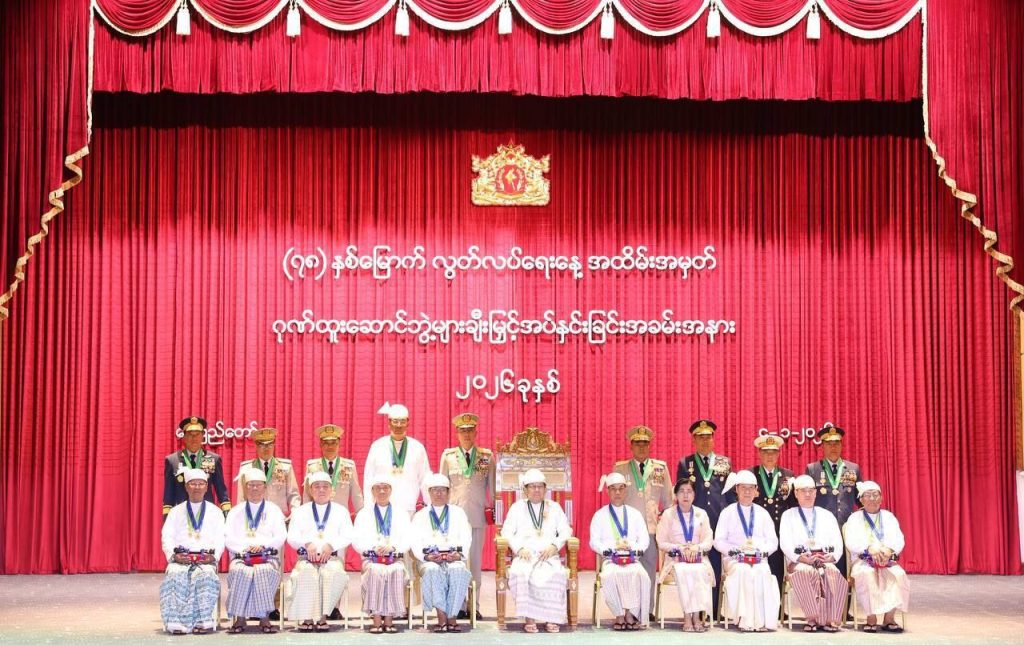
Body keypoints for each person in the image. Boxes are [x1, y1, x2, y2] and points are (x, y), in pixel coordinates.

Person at [499, 468, 573, 633]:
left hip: (548, 556)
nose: (537, 490)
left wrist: (555, 546)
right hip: (525, 555)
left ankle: (552, 618)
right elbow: (506, 532)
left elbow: (566, 530)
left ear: (545, 489)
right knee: (521, 573)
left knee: (556, 574)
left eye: (540, 486)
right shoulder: (517, 508)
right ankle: (530, 618)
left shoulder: (554, 507)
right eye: (532, 486)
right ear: (525, 490)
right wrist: (519, 549)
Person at [437, 412, 494, 620]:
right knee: (456, 562)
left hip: (477, 517)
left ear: (476, 432)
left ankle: (473, 605)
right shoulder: (448, 457)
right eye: (463, 431)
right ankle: (458, 604)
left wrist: (493, 511)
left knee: (475, 563)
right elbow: (441, 486)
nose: (467, 434)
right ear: (457, 433)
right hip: (454, 520)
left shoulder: (486, 457)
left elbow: (492, 489)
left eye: (470, 430)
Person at [675, 419, 733, 616]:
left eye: (708, 437)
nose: (705, 441)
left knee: (715, 565)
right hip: (695, 523)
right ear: (694, 440)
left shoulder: (724, 462)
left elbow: (730, 494)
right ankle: (697, 609)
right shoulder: (686, 463)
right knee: (696, 565)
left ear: (713, 439)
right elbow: (682, 494)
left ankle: (714, 610)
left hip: (718, 520)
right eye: (700, 437)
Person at [159, 468, 226, 635]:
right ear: (186, 487)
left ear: (206, 487)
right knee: (174, 574)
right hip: (181, 558)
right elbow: (167, 536)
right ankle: (175, 622)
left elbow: (221, 538)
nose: (197, 487)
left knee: (206, 575)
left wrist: (213, 557)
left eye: (200, 484)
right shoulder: (175, 511)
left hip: (205, 559)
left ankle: (203, 621)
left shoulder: (216, 512)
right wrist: (174, 556)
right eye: (193, 484)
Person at [612, 425, 672, 610]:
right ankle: (628, 609)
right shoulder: (620, 468)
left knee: (648, 570)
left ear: (650, 445)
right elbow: (615, 499)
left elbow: (668, 501)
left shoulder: (660, 468)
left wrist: (665, 527)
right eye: (637, 443)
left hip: (651, 529)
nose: (641, 447)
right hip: (627, 531)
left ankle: (647, 609)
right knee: (626, 570)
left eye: (645, 443)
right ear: (631, 446)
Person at [286, 471, 354, 632]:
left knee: (331, 574)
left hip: (332, 559)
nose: (321, 490)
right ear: (310, 490)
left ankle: (322, 617)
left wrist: (331, 546)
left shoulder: (341, 511)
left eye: (325, 486)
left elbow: (348, 535)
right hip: (306, 558)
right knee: (306, 574)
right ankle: (308, 617)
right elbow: (291, 536)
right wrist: (306, 543)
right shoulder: (300, 511)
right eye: (317, 486)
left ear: (331, 489)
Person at [778, 475, 847, 632]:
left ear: (816, 493)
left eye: (811, 491)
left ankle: (830, 619)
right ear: (796, 493)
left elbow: (837, 542)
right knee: (806, 572)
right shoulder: (788, 515)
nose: (808, 494)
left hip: (824, 560)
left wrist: (832, 556)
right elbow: (785, 543)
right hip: (799, 562)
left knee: (832, 572)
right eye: (803, 491)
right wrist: (801, 558)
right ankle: (812, 618)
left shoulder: (827, 515)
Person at [713, 470, 780, 632]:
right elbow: (718, 541)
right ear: (737, 489)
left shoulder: (763, 513)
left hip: (758, 559)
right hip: (735, 560)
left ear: (756, 491)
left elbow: (773, 541)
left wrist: (760, 551)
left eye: (751, 488)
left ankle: (762, 622)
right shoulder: (727, 512)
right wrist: (735, 551)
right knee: (743, 571)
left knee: (762, 571)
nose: (747, 492)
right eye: (743, 488)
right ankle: (745, 620)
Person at [224, 468, 287, 633]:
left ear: (265, 487)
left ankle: (264, 618)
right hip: (241, 556)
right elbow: (228, 537)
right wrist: (244, 549)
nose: (254, 488)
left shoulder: (274, 510)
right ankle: (240, 618)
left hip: (267, 556)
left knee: (263, 571)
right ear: (245, 488)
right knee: (240, 571)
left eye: (258, 485)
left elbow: (281, 535)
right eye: (250, 485)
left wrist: (263, 546)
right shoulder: (235, 511)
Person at [411, 473, 474, 632]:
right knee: (432, 570)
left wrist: (459, 555)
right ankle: (441, 616)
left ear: (448, 492)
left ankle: (452, 617)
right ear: (429, 492)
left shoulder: (458, 513)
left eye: (442, 490)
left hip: (454, 558)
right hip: (429, 561)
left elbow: (466, 537)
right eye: (435, 490)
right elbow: (414, 542)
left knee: (458, 570)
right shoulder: (420, 516)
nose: (438, 493)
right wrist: (426, 556)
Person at [843, 481, 908, 633]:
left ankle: (889, 618)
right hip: (863, 560)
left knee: (899, 575)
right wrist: (869, 549)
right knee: (867, 574)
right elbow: (851, 541)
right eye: (867, 495)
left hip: (886, 559)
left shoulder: (889, 517)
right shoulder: (855, 518)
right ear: (861, 499)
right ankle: (871, 617)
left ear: (881, 498)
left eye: (875, 495)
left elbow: (899, 539)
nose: (872, 498)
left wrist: (888, 550)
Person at [589, 472, 651, 631]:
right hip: (610, 560)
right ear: (608, 491)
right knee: (609, 575)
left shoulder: (635, 514)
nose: (617, 492)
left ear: (626, 491)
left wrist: (632, 549)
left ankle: (631, 614)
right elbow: (594, 541)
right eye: (613, 489)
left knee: (642, 575)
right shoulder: (599, 515)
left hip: (632, 559)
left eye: (621, 489)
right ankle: (619, 615)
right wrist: (611, 549)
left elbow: (644, 540)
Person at [352, 473, 413, 633]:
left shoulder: (401, 513)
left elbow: (408, 538)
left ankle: (389, 619)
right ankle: (377, 619)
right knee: (375, 571)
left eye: (385, 488)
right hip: (372, 559)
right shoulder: (364, 513)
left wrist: (393, 547)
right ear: (372, 491)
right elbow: (356, 540)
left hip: (395, 559)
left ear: (391, 490)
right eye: (378, 488)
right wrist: (373, 547)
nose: (382, 491)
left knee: (397, 571)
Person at [656, 478, 714, 632]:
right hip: (675, 559)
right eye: (681, 491)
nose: (685, 495)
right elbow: (661, 542)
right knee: (685, 571)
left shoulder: (702, 514)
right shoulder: (668, 514)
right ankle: (688, 616)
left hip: (697, 558)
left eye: (689, 491)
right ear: (675, 495)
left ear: (694, 495)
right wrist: (679, 548)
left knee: (699, 571)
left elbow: (708, 541)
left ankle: (697, 616)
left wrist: (696, 548)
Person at [805, 424, 862, 575]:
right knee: (823, 567)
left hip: (846, 525)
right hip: (821, 527)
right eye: (829, 444)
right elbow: (807, 499)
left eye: (836, 443)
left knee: (844, 567)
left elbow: (860, 500)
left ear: (841, 445)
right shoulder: (813, 469)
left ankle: (844, 591)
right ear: (822, 446)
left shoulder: (853, 468)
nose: (833, 447)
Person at [364, 403, 430, 516]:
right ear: (389, 423)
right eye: (395, 421)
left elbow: (425, 479)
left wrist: (430, 506)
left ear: (408, 423)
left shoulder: (417, 448)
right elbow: (369, 479)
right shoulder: (377, 446)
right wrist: (368, 507)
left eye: (402, 421)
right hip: (381, 508)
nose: (399, 425)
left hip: (408, 508)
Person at [747, 433, 795, 588]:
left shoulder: (788, 476)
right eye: (766, 452)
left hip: (779, 530)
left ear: (778, 454)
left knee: (776, 572)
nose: (770, 456)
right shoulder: (750, 474)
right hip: (756, 530)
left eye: (773, 452)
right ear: (759, 453)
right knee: (755, 572)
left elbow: (792, 505)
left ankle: (777, 603)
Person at [162, 416, 231, 518]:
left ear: (203, 436)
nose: (194, 439)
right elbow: (169, 493)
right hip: (182, 514)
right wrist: (167, 516)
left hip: (207, 513)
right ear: (184, 437)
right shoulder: (173, 460)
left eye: (197, 434)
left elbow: (221, 489)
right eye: (190, 435)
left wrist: (226, 512)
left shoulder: (212, 459)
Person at [234, 427, 300, 518]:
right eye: (262, 445)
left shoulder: (285, 467)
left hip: (279, 517)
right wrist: (243, 517)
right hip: (254, 517)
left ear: (274, 445)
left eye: (270, 444)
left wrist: (295, 513)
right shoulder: (247, 469)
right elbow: (241, 498)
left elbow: (293, 495)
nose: (266, 448)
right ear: (256, 446)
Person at [303, 424, 363, 512]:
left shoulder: (349, 467)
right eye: (326, 443)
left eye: (333, 443)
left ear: (339, 444)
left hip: (340, 515)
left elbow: (356, 495)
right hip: (318, 515)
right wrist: (306, 514)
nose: (330, 446)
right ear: (320, 444)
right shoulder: (312, 467)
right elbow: (307, 496)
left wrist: (362, 515)